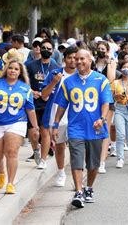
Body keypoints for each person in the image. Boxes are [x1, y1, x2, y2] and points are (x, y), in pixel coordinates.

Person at [52, 49, 113, 208]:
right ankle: (78, 192)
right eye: (75, 59)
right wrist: (55, 124)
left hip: (95, 128)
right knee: (76, 160)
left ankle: (89, 188)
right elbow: (62, 105)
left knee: (93, 164)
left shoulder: (101, 80)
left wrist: (102, 118)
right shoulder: (68, 82)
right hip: (75, 128)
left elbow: (106, 102)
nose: (78, 62)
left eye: (81, 59)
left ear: (90, 60)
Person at [0, 58, 39, 195]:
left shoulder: (25, 88)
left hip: (16, 122)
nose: (13, 71)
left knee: (12, 152)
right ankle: (1, 171)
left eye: (16, 69)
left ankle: (11, 183)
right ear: (6, 69)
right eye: (11, 68)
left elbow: (30, 109)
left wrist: (35, 127)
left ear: (20, 72)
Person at [40, 46, 78, 187]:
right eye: (70, 58)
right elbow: (44, 95)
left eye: (76, 58)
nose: (73, 61)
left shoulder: (82, 76)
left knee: (76, 148)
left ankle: (77, 177)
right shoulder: (55, 74)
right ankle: (61, 172)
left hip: (76, 117)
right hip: (58, 117)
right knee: (60, 147)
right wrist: (54, 82)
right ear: (64, 59)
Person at [26, 39, 60, 169]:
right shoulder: (30, 65)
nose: (46, 50)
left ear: (52, 51)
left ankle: (43, 159)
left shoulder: (56, 67)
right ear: (40, 49)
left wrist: (49, 95)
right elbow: (24, 83)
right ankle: (35, 150)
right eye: (44, 47)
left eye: (49, 48)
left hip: (48, 104)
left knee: (44, 131)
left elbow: (59, 86)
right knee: (33, 133)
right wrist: (31, 91)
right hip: (33, 103)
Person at [93, 41, 117, 174]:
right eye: (99, 49)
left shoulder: (111, 63)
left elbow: (111, 79)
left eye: (103, 49)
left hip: (106, 98)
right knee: (92, 128)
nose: (100, 51)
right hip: (92, 98)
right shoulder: (92, 63)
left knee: (105, 129)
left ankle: (102, 162)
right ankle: (93, 159)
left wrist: (108, 62)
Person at [111, 61, 128, 168]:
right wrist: (115, 97)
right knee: (120, 135)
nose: (126, 69)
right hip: (119, 109)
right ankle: (120, 158)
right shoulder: (115, 83)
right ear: (120, 69)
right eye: (124, 67)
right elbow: (109, 97)